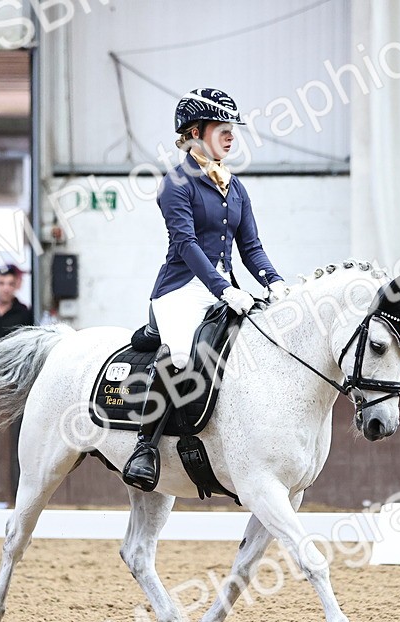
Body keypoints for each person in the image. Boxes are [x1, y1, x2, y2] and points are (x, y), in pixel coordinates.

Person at [121, 87, 290, 492]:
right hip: (181, 289)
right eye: (222, 128)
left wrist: (274, 280)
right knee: (181, 357)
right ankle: (145, 447)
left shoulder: (234, 186)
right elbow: (186, 243)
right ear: (196, 132)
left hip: (224, 288)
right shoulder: (175, 184)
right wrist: (221, 288)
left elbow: (250, 246)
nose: (231, 136)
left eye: (232, 129)